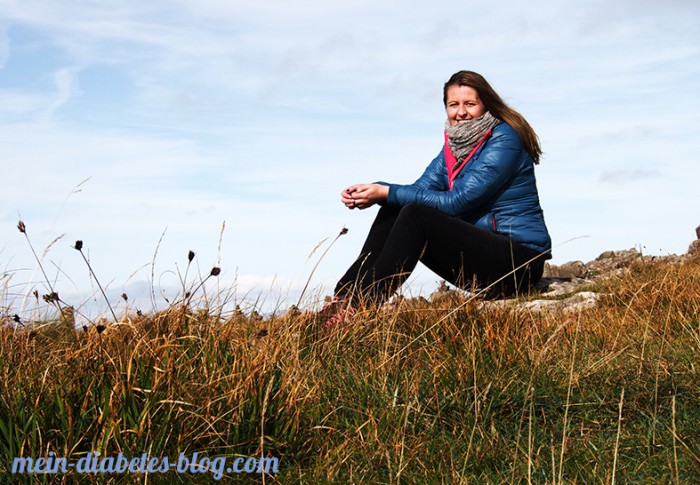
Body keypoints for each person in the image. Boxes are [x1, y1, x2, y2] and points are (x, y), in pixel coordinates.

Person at [323, 70, 552, 326]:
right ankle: (344, 298)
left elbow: (459, 201)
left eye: (470, 104)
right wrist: (375, 191)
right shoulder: (455, 146)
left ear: (486, 105)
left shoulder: (504, 139)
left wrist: (386, 192)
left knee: (414, 213)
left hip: (518, 264)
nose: (461, 112)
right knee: (396, 207)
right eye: (454, 105)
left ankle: (359, 307)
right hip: (482, 256)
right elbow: (420, 190)